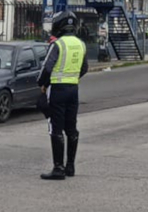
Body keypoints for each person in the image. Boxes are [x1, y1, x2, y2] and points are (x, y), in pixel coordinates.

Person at [37, 10, 89, 180]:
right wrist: (73, 78)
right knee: (71, 127)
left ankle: (58, 168)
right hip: (73, 90)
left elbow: (46, 68)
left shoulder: (58, 44)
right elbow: (85, 68)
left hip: (57, 90)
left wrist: (43, 85)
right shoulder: (81, 44)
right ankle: (70, 167)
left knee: (56, 127)